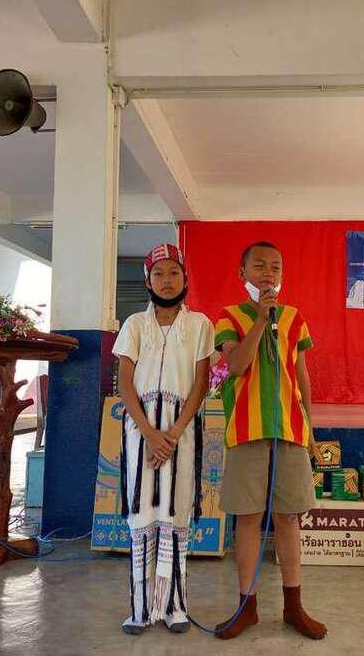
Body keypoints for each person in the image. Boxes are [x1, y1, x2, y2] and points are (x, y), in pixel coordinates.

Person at [213, 241, 327, 640]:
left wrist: (309, 426)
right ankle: (247, 607)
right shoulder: (229, 316)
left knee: (288, 518)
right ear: (242, 273)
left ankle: (294, 607)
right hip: (246, 431)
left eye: (275, 267)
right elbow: (236, 365)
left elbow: (302, 375)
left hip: (291, 430)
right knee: (247, 518)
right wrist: (261, 319)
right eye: (259, 266)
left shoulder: (294, 318)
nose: (268, 273)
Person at [113, 243, 214, 635]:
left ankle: (174, 607)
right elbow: (124, 384)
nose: (167, 280)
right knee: (142, 516)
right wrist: (150, 433)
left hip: (181, 434)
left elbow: (201, 384)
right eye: (159, 274)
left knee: (175, 514)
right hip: (141, 434)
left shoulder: (200, 325)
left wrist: (171, 433)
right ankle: (140, 609)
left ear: (185, 278)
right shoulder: (134, 325)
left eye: (174, 273)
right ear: (148, 280)